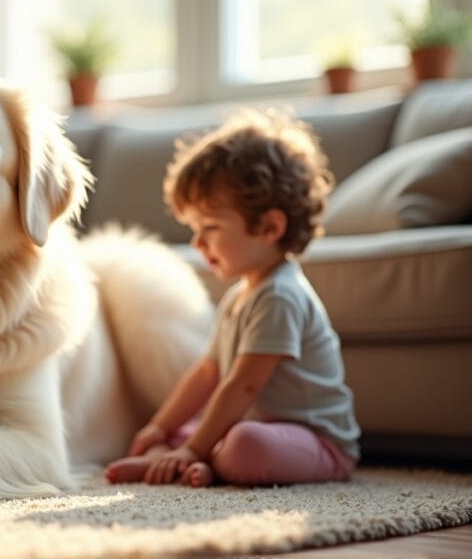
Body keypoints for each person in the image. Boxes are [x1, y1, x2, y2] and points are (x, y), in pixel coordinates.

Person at [106, 110, 360, 488]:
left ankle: (197, 459)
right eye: (194, 229)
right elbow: (207, 373)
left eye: (210, 227)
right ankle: (196, 457)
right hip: (259, 428)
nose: (197, 242)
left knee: (244, 444)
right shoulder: (241, 294)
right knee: (199, 432)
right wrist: (159, 427)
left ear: (270, 227)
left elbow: (243, 385)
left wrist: (193, 447)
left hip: (318, 443)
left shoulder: (280, 296)